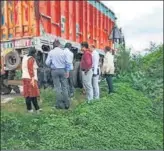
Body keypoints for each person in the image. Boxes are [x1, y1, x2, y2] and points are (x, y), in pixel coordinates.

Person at [45, 40, 70, 109]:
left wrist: (51, 65)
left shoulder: (51, 52)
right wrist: (67, 71)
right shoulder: (64, 52)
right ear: (59, 45)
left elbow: (47, 63)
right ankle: (67, 104)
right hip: (63, 70)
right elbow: (68, 63)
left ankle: (59, 105)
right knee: (64, 87)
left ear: (53, 45)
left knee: (57, 88)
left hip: (55, 71)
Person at [22, 47, 41, 113]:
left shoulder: (25, 57)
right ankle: (31, 110)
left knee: (30, 94)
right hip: (30, 78)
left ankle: (36, 109)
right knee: (31, 95)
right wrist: (32, 79)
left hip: (25, 77)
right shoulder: (31, 59)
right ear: (34, 53)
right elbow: (30, 69)